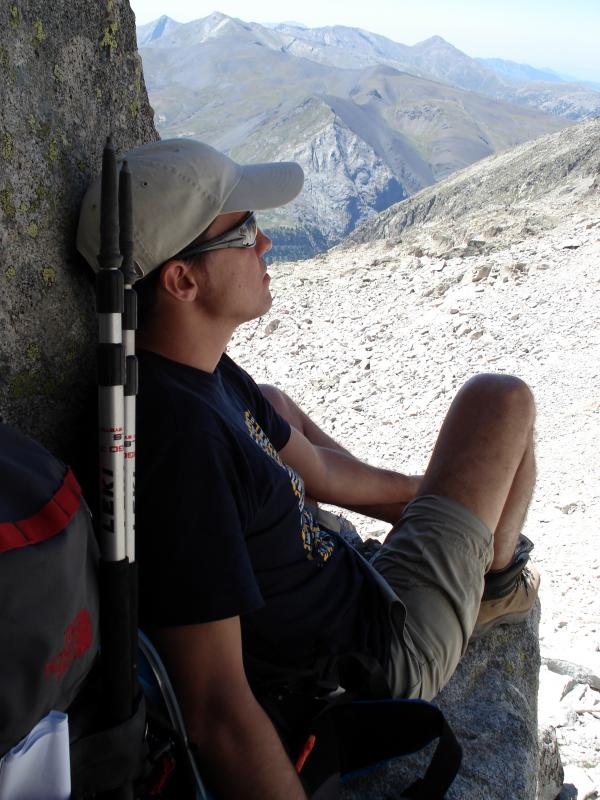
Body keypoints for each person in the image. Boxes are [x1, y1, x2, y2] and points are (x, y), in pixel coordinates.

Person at [77, 138, 540, 800]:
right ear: (182, 281)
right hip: (385, 649)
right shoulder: (181, 447)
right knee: (500, 399)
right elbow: (215, 705)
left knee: (273, 404)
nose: (265, 247)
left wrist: (445, 499)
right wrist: (459, 508)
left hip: (350, 592)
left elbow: (320, 471)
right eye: (244, 234)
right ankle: (491, 581)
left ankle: (467, 549)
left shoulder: (197, 375)